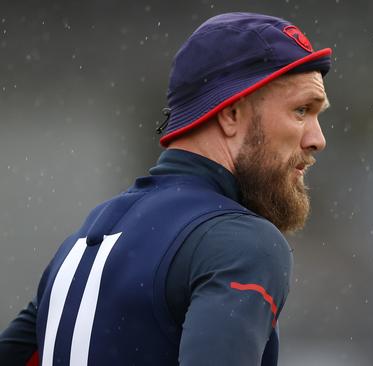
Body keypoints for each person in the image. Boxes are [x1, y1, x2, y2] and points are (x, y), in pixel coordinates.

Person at [0, 12, 332, 366]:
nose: (318, 140)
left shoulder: (81, 244)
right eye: (300, 110)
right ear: (231, 113)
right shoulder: (243, 243)